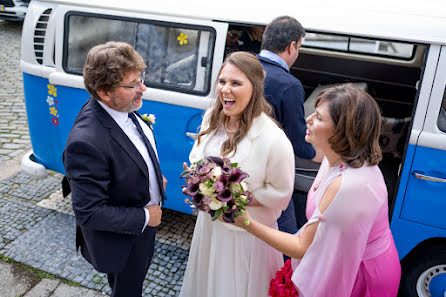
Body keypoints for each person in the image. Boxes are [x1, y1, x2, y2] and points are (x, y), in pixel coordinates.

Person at [229, 84, 401, 297]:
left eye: (319, 118)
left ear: (342, 131)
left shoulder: (348, 187)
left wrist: (246, 222)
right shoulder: (335, 158)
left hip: (362, 275)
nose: (308, 119)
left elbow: (302, 246)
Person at [179, 51, 295, 297]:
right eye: (222, 82)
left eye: (235, 83)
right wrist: (200, 184)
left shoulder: (274, 139)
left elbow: (281, 193)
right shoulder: (212, 118)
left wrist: (235, 198)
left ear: (254, 88)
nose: (225, 90)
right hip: (209, 229)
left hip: (247, 237)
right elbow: (195, 157)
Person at [63, 41, 166, 297]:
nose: (143, 88)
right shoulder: (85, 142)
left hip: (142, 222)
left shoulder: (121, 107)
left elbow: (131, 152)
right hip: (123, 239)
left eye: (141, 79)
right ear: (104, 93)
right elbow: (89, 212)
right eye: (133, 85)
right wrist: (145, 217)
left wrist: (152, 176)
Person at [258, 16, 318, 234]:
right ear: (292, 46)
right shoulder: (289, 85)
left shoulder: (243, 69)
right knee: (284, 233)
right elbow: (299, 143)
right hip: (272, 173)